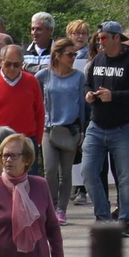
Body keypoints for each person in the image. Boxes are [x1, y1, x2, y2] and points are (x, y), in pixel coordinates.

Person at [82, 21, 129, 235]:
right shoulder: (97, 60)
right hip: (97, 125)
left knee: (125, 177)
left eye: (104, 38)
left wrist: (115, 96)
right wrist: (89, 94)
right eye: (98, 38)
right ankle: (102, 216)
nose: (100, 42)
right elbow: (87, 83)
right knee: (89, 172)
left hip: (123, 128)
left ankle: (124, 220)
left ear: (117, 39)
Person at [37, 39, 85, 223]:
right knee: (50, 170)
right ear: (57, 55)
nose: (73, 58)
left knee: (66, 173)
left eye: (75, 54)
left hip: (70, 129)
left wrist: (81, 130)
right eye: (70, 54)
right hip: (49, 129)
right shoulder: (44, 75)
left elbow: (81, 105)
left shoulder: (78, 77)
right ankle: (50, 205)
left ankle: (61, 210)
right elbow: (32, 95)